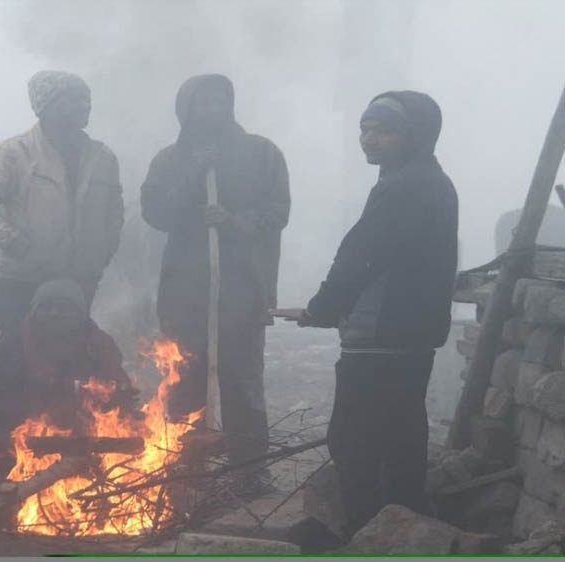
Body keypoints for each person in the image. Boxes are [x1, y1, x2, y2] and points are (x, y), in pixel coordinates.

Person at [273, 91, 458, 536]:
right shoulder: (423, 180)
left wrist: (321, 308)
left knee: (356, 439)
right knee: (399, 436)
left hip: (383, 337)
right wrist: (324, 311)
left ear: (413, 135)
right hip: (407, 335)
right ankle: (403, 523)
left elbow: (360, 257)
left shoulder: (407, 187)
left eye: (384, 131)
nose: (369, 139)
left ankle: (366, 530)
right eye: (365, 129)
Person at [141, 74, 290, 464]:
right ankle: (187, 469)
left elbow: (278, 211)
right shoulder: (168, 161)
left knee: (242, 381)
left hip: (243, 288)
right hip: (185, 293)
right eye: (203, 103)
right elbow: (155, 213)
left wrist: (233, 222)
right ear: (186, 110)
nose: (213, 110)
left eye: (220, 101)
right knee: (185, 379)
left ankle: (249, 468)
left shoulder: (262, 154)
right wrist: (194, 174)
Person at [0, 71, 123, 338]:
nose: (84, 105)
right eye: (72, 99)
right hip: (24, 279)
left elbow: (114, 212)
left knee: (71, 351)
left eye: (85, 99)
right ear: (46, 107)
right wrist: (15, 242)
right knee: (17, 350)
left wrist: (103, 251)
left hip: (81, 279)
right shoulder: (11, 153)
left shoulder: (103, 157)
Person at [0, 279, 136, 477]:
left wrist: (107, 393)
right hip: (21, 417)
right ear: (34, 311)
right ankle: (3, 464)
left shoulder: (99, 343)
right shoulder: (14, 340)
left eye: (64, 308)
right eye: (47, 307)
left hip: (78, 422)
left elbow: (116, 384)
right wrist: (46, 386)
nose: (55, 313)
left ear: (80, 313)